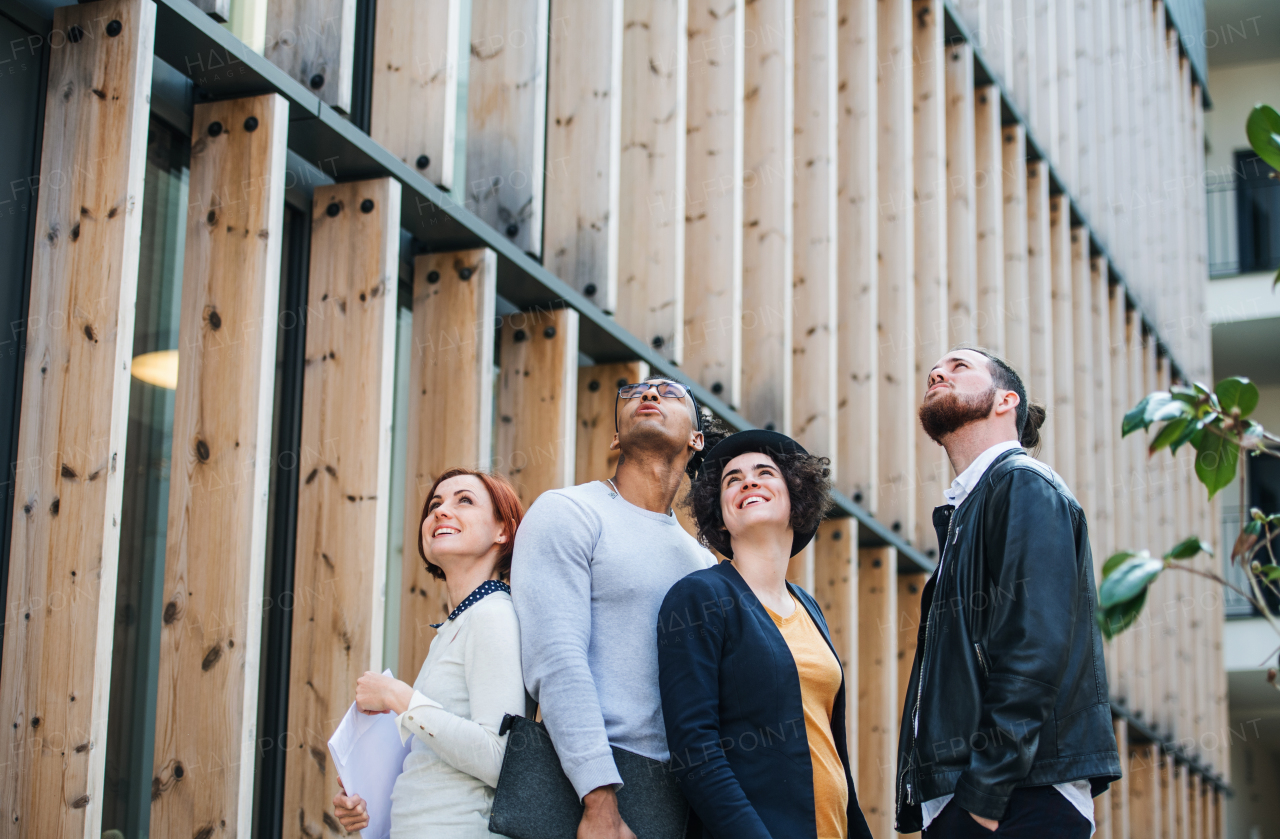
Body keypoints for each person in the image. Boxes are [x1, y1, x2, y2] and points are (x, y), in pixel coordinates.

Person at [894, 348, 1122, 838]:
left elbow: (1034, 646)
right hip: (983, 798)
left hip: (1015, 797)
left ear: (1005, 401)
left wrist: (985, 794)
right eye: (935, 369)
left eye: (959, 367)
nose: (937, 372)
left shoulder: (1021, 483)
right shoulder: (970, 509)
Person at [511, 377, 718, 839]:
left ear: (696, 439)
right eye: (633, 392)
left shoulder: (703, 562)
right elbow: (556, 658)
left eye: (668, 392)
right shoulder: (568, 511)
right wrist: (598, 797)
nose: (648, 396)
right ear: (615, 437)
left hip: (678, 800)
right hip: (585, 792)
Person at [656, 429, 874, 839]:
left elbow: (830, 749)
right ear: (719, 514)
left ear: (796, 497)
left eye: (763, 473)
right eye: (732, 480)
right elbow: (694, 751)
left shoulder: (810, 607)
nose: (748, 482)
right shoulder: (699, 597)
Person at [332, 468, 533, 839]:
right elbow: (441, 761)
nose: (440, 511)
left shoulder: (492, 615)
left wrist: (399, 697)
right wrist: (369, 799)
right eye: (435, 504)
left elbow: (499, 758)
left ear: (502, 531)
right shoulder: (458, 625)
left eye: (465, 501)